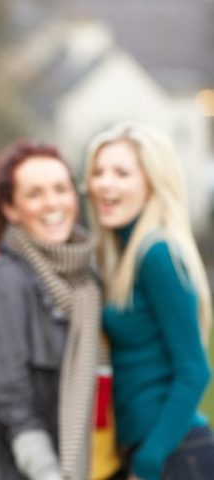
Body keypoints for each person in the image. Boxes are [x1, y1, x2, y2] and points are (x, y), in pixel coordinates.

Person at [84, 122, 214, 480]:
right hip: (145, 449)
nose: (104, 183)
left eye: (121, 173)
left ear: (153, 182)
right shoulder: (122, 254)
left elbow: (194, 369)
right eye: (98, 172)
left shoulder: (156, 253)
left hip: (173, 453)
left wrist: (148, 462)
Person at [0, 141, 103, 480]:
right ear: (11, 209)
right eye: (35, 194)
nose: (52, 203)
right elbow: (11, 399)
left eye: (61, 189)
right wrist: (48, 472)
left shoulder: (89, 280)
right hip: (25, 471)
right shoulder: (5, 280)